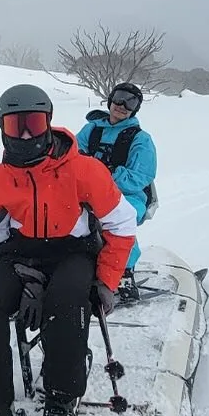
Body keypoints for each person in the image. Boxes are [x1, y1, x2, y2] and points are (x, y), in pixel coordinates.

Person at [0, 84, 139, 416]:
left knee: (68, 301)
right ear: (2, 126)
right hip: (22, 251)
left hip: (72, 251)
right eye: (16, 124)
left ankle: (61, 403)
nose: (26, 134)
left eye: (34, 123)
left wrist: (107, 281)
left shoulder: (84, 170)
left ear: (49, 122)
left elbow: (123, 226)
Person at [76, 82, 157, 290]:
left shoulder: (140, 139)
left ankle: (123, 272)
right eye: (119, 97)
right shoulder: (91, 130)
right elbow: (72, 157)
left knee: (119, 219)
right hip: (87, 191)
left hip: (128, 194)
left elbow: (140, 176)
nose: (122, 105)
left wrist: (104, 174)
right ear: (110, 99)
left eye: (130, 102)